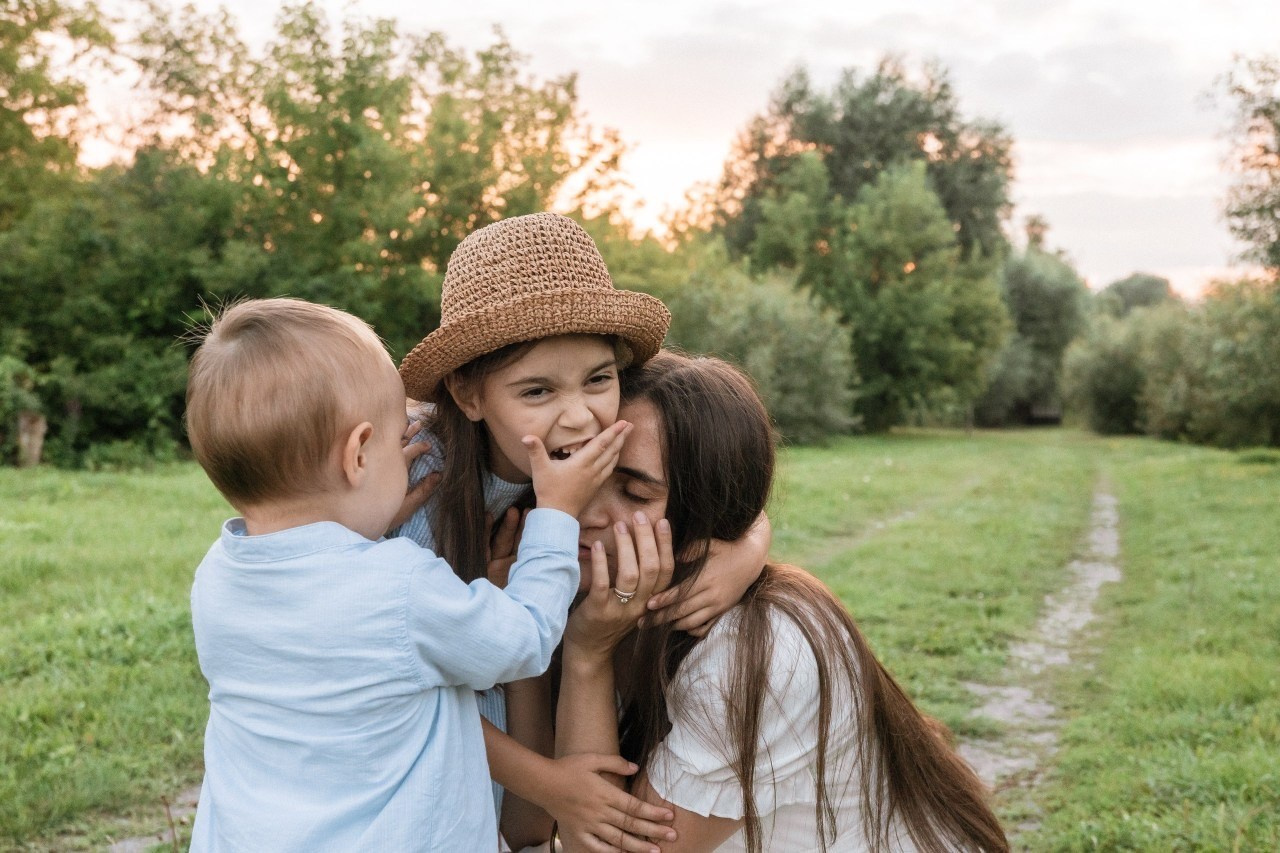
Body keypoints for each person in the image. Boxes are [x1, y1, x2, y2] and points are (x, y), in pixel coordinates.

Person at [184, 297, 629, 851]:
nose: (416, 448)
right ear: (358, 456)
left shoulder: (217, 576)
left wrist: (360, 527)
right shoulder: (400, 583)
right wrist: (556, 515)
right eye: (403, 436)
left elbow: (327, 620)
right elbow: (524, 639)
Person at [392, 212, 770, 850]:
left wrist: (744, 545)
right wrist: (547, 781)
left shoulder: (592, 451)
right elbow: (397, 689)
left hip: (509, 747)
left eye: (599, 378)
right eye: (536, 390)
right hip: (423, 765)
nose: (579, 415)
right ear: (468, 395)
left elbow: (709, 462)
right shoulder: (419, 486)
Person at [557, 351, 1010, 853]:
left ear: (706, 521)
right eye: (584, 467)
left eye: (635, 494)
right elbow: (533, 825)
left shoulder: (752, 654)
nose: (585, 508)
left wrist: (586, 655)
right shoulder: (576, 585)